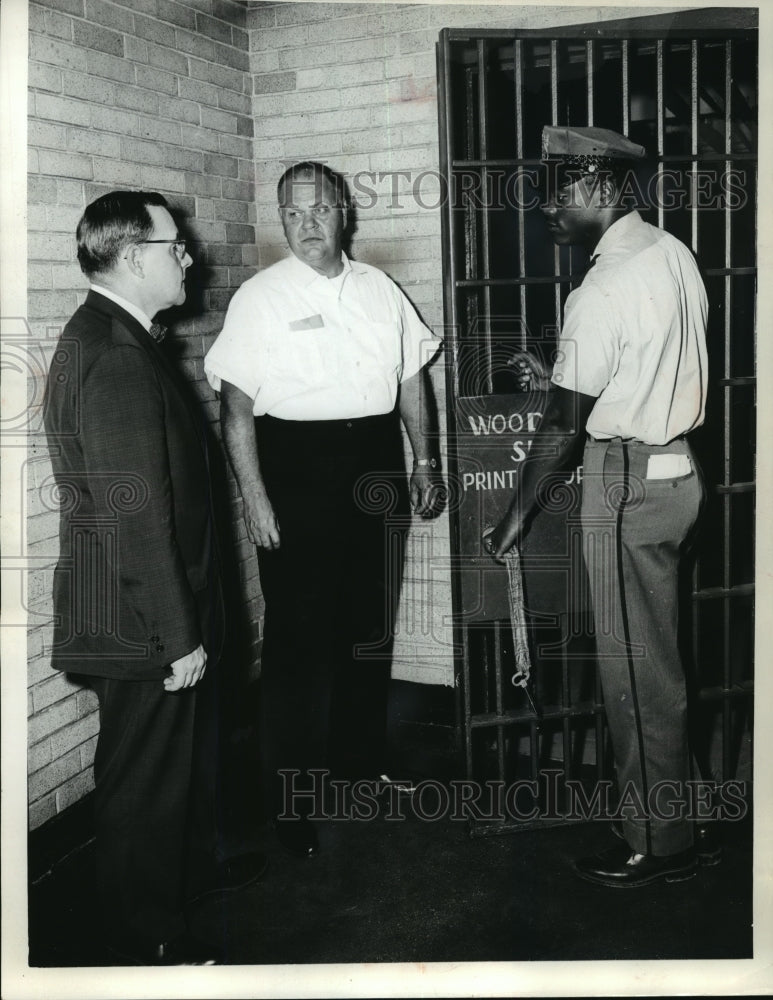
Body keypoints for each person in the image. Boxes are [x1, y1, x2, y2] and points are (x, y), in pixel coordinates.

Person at [43, 191, 266, 965]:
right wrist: (179, 638)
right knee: (145, 781)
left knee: (180, 767)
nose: (190, 257)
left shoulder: (118, 338)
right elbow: (133, 518)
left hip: (150, 610)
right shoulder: (113, 357)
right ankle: (149, 940)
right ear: (134, 256)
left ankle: (187, 881)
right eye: (175, 246)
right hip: (142, 622)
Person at [485, 126, 709, 887]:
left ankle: (658, 843)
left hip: (623, 481)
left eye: (560, 188)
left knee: (630, 670)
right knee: (664, 664)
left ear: (602, 189)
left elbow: (561, 424)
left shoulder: (601, 286)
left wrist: (518, 511)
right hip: (676, 472)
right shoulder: (671, 254)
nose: (548, 205)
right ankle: (679, 815)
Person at [204, 161, 442, 858]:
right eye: (291, 214)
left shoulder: (379, 289)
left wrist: (424, 460)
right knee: (300, 639)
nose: (305, 226)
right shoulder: (261, 297)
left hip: (374, 461)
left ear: (343, 210)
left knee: (367, 625)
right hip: (295, 468)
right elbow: (234, 410)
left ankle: (359, 764)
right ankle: (292, 797)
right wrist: (255, 500)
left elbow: (409, 380)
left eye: (317, 210)